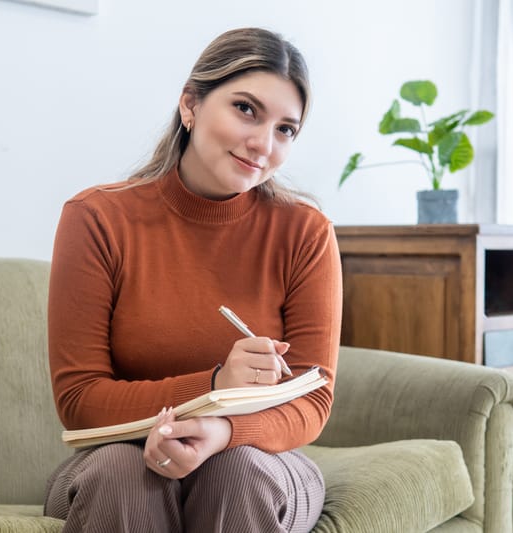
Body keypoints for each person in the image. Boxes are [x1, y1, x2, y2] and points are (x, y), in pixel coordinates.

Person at [43, 27, 342, 533]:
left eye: (285, 129)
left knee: (239, 472)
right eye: (246, 109)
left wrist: (222, 430)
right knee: (123, 471)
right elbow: (80, 402)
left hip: (251, 456)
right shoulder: (96, 219)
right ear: (190, 105)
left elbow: (312, 398)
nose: (262, 144)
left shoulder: (305, 232)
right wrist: (213, 385)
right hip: (116, 458)